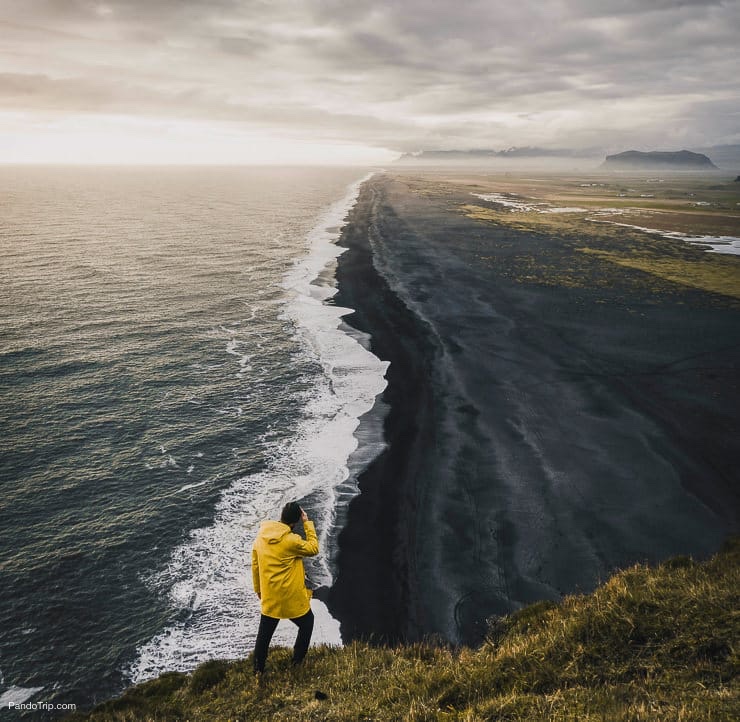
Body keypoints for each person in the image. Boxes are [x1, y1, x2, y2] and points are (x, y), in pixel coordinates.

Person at [251, 501, 319, 674]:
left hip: (271, 595)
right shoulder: (291, 541)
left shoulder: (261, 536)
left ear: (281, 516)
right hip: (290, 597)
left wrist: (258, 590)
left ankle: (258, 670)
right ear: (295, 522)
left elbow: (255, 565)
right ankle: (297, 663)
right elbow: (313, 548)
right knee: (307, 623)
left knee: (264, 635)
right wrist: (307, 523)